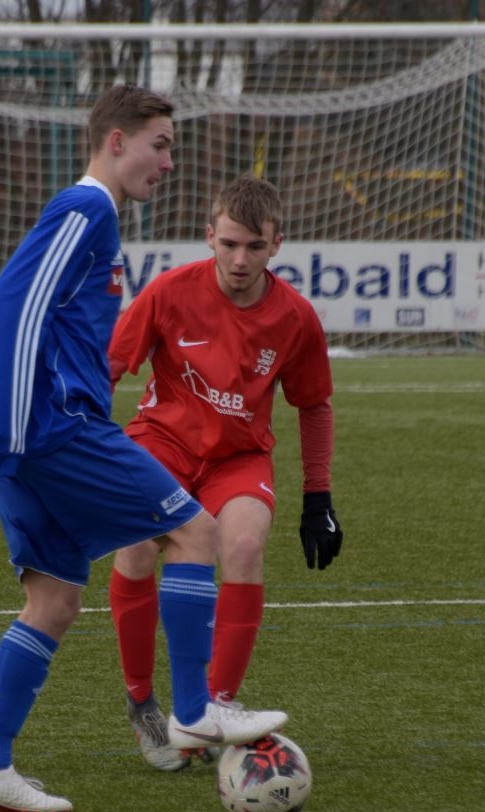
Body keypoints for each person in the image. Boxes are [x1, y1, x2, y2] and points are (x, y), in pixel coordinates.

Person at [0, 87, 287, 812]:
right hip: (50, 429)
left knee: (53, 601)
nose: (169, 162)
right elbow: (14, 300)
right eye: (160, 144)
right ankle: (197, 709)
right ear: (115, 141)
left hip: (26, 433)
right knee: (196, 531)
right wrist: (19, 427)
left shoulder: (92, 216)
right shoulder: (88, 209)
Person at [107, 174, 342, 771]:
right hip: (160, 443)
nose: (240, 259)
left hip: (238, 457)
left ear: (276, 245)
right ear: (209, 236)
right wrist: (75, 447)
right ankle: (144, 707)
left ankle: (215, 709)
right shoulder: (167, 293)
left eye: (254, 247)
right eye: (230, 243)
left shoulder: (295, 317)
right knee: (135, 548)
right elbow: (106, 367)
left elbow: (313, 406)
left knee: (241, 545)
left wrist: (319, 499)